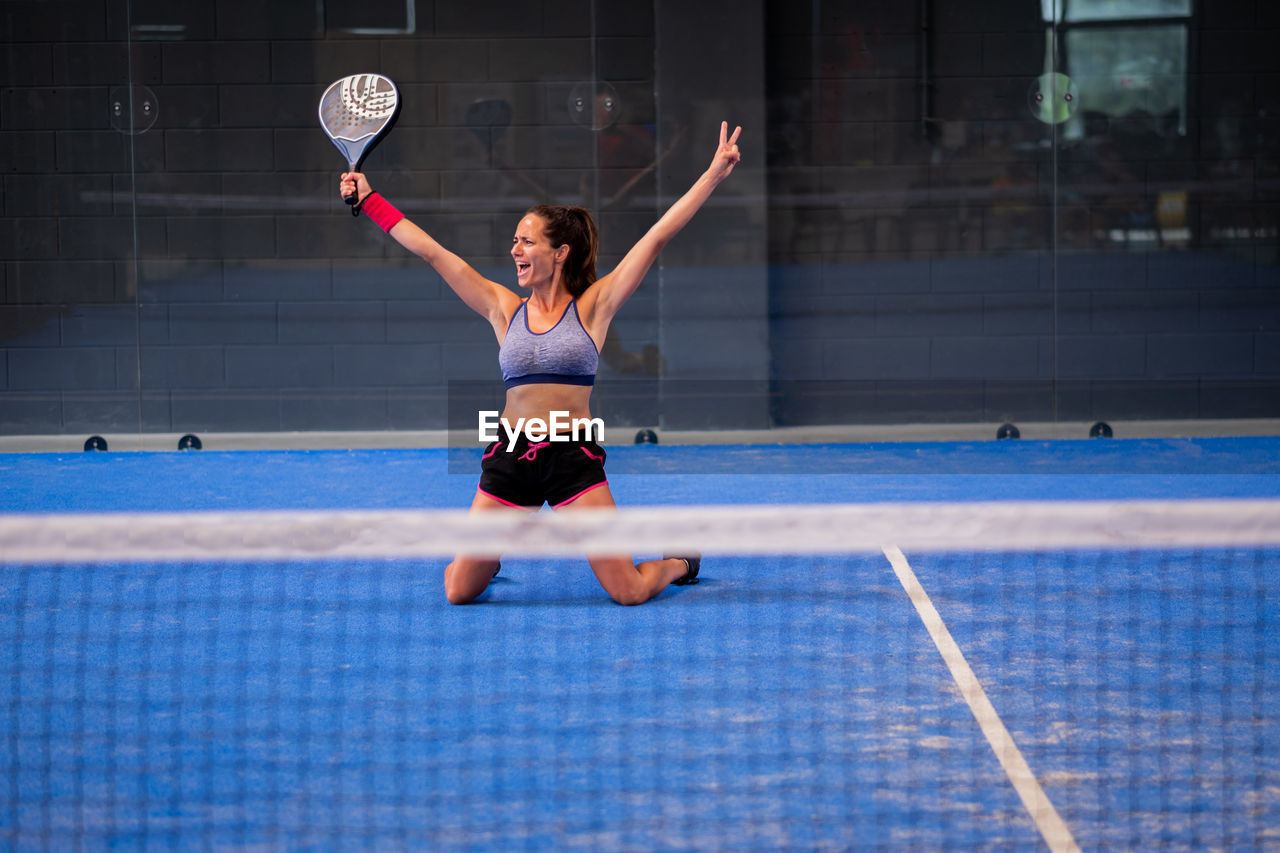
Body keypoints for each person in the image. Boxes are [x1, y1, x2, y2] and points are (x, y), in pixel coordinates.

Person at [339, 121, 742, 605]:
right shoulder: (502, 308)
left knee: (629, 591)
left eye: (527, 242)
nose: (515, 250)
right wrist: (369, 200)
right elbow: (433, 253)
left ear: (560, 253)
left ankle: (679, 562)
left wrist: (713, 175)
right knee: (458, 591)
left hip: (572, 459)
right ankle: (487, 556)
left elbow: (655, 238)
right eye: (515, 241)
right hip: (511, 457)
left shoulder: (594, 306)